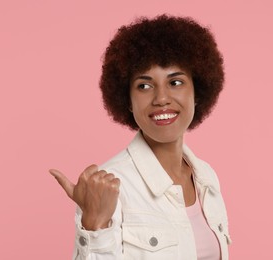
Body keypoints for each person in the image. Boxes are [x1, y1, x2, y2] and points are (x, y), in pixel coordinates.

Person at [49, 14, 231, 259]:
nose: (161, 98)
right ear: (128, 102)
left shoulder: (206, 178)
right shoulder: (110, 187)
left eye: (175, 82)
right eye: (144, 86)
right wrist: (94, 225)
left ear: (197, 92)